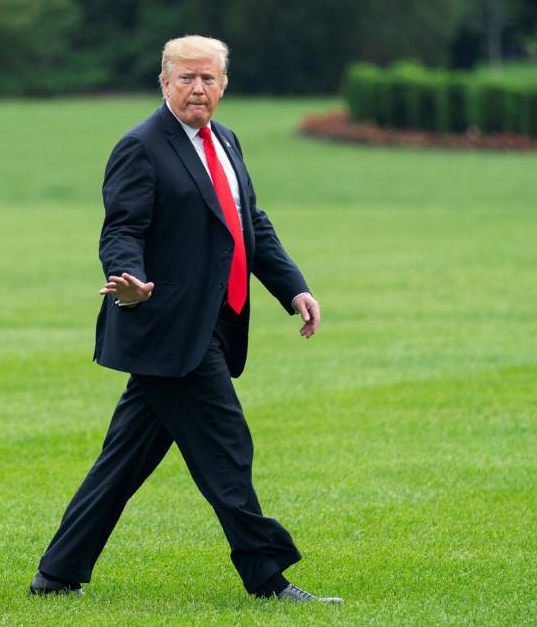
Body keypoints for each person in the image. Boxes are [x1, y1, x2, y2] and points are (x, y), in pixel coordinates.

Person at [29, 35, 342, 604]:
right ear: (165, 82)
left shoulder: (225, 140)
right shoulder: (140, 147)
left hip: (215, 325)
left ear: (224, 84)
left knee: (123, 462)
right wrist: (127, 278)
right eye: (186, 78)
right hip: (168, 326)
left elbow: (251, 224)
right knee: (227, 450)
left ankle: (57, 573)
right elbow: (122, 227)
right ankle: (267, 578)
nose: (198, 88)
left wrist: (292, 287)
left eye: (209, 79)